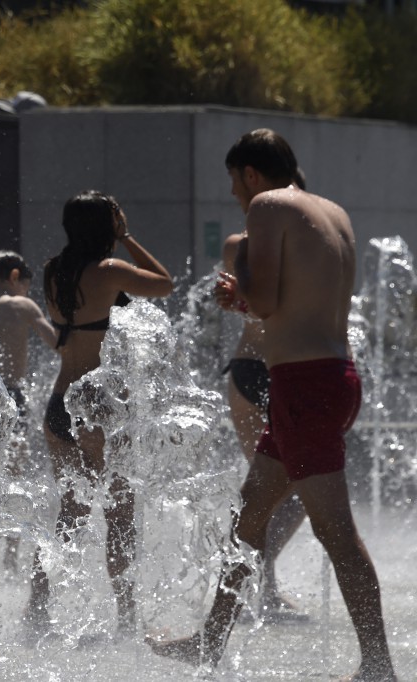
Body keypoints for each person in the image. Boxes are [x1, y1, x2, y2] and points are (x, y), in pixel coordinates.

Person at [150, 129, 397, 681]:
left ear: (251, 175)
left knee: (335, 531)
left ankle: (379, 666)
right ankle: (210, 643)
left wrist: (233, 294)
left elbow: (263, 301)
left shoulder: (266, 206)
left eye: (234, 181)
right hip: (334, 376)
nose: (235, 195)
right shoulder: (332, 210)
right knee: (249, 516)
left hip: (303, 384)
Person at [32, 191, 173, 635]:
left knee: (69, 513)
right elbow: (165, 282)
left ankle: (35, 606)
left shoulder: (54, 270)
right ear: (106, 226)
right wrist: (127, 236)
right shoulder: (109, 270)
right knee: (119, 515)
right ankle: (128, 621)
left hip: (59, 404)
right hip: (98, 407)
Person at [220, 228, 308, 622]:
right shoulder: (260, 244)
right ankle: (260, 588)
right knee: (277, 489)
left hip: (263, 369)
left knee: (284, 490)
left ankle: (257, 583)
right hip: (267, 368)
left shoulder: (245, 245)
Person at [0, 250, 58, 572]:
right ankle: (10, 552)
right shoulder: (22, 306)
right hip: (10, 398)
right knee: (13, 476)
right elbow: (56, 343)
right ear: (15, 276)